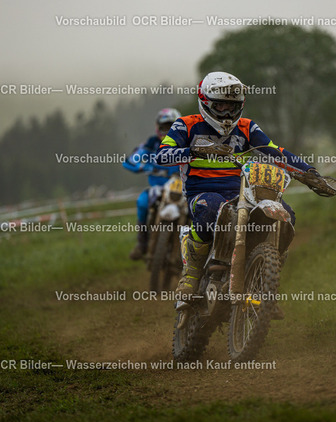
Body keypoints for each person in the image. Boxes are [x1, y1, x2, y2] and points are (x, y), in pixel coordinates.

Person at [154, 71, 319, 299]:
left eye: (232, 106)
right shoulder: (186, 125)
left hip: (244, 191)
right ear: (205, 102)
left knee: (285, 215)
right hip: (202, 191)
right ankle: (191, 275)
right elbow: (162, 155)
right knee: (210, 208)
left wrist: (309, 173)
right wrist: (193, 151)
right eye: (220, 106)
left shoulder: (247, 127)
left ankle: (264, 274)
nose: (226, 113)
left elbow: (275, 151)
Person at [123, 108, 181, 260]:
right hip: (158, 189)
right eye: (164, 127)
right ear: (158, 127)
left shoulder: (185, 144)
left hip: (182, 189)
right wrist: (142, 166)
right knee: (142, 202)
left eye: (171, 127)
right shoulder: (151, 144)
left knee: (198, 209)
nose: (167, 131)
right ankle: (142, 244)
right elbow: (130, 160)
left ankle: (199, 250)